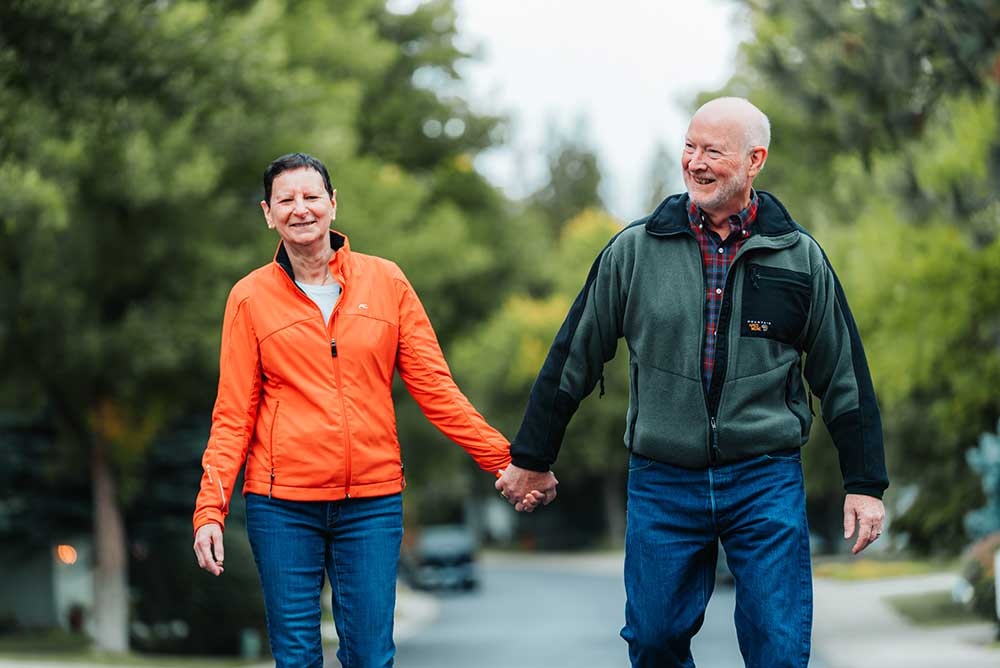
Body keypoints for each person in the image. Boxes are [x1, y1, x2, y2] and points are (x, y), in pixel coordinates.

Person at [496, 97, 888, 667]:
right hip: (663, 478)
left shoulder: (798, 257)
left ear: (755, 160)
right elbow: (572, 358)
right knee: (653, 641)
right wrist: (531, 454)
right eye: (689, 146)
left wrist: (865, 482)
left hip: (764, 476)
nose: (695, 162)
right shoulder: (634, 250)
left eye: (713, 151)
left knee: (779, 650)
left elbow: (845, 375)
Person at [191, 153, 546, 668]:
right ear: (268, 213)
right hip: (282, 505)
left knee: (371, 657)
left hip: (371, 504)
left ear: (333, 205)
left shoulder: (387, 282)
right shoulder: (249, 298)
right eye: (285, 200)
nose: (301, 209)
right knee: (296, 658)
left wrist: (507, 460)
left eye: (311, 197)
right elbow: (232, 415)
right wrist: (210, 508)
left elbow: (437, 390)